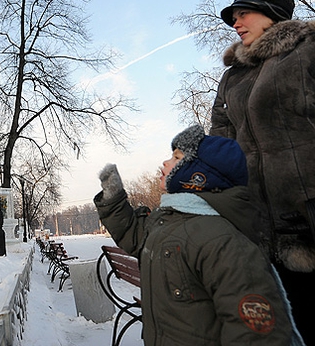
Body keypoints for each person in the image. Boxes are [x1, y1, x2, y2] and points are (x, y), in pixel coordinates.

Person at [94, 125, 303, 345]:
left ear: (199, 175)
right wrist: (114, 197)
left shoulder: (222, 239)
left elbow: (255, 335)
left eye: (176, 157)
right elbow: (134, 235)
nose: (165, 163)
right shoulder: (169, 222)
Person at [211, 0, 315, 343]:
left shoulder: (306, 52)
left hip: (308, 218)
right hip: (260, 226)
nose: (236, 23)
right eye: (234, 18)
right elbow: (221, 144)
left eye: (244, 14)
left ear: (272, 15)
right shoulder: (232, 77)